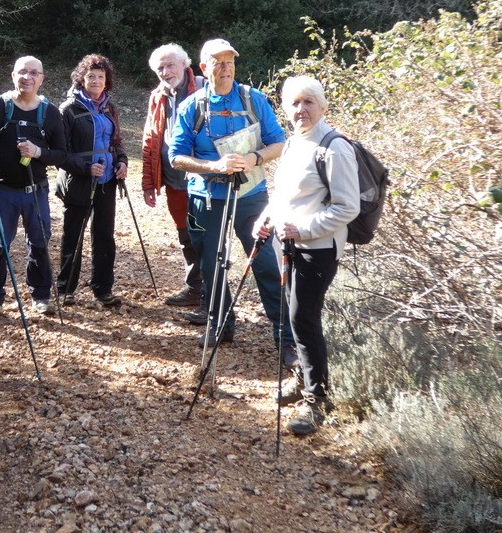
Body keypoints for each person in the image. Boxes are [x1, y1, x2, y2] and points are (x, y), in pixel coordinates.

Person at [169, 39, 295, 359]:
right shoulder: (192, 107)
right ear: (203, 68)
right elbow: (176, 158)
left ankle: (287, 338)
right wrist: (213, 166)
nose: (226, 69)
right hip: (206, 198)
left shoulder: (254, 100)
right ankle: (219, 324)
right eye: (218, 62)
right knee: (211, 263)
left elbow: (279, 143)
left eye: (230, 62)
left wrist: (252, 158)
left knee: (266, 262)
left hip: (251, 195)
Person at [253, 75, 359, 435]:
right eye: (294, 103)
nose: (301, 109)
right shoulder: (295, 143)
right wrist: (265, 219)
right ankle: (303, 381)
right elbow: (283, 195)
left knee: (304, 319)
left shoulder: (334, 147)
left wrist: (304, 230)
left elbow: (347, 208)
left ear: (322, 105)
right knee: (294, 315)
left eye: (308, 102)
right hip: (288, 244)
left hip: (318, 249)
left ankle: (317, 400)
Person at [0, 56, 68, 321]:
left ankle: (41, 296)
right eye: (22, 72)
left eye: (33, 73)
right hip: (1, 190)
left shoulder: (51, 113)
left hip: (35, 190)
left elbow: (62, 155)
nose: (27, 77)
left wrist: (38, 151)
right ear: (13, 75)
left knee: (40, 242)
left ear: (42, 78)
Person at [55, 54, 128, 307]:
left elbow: (116, 142)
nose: (96, 81)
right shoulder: (68, 109)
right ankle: (65, 289)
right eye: (91, 76)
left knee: (105, 234)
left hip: (107, 180)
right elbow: (60, 153)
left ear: (106, 81)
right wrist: (86, 168)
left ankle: (103, 289)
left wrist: (122, 162)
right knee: (73, 234)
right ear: (81, 79)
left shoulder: (110, 107)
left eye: (100, 76)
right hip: (78, 181)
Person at [141, 43, 203, 308]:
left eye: (170, 65)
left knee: (205, 235)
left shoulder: (205, 88)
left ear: (184, 65)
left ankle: (211, 297)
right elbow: (150, 140)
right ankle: (194, 289)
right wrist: (148, 182)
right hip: (174, 180)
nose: (166, 72)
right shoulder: (158, 96)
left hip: (204, 179)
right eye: (160, 68)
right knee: (185, 234)